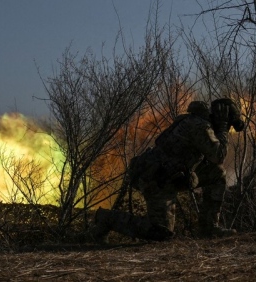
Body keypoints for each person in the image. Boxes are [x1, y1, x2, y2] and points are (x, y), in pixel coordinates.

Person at [90, 97, 244, 241]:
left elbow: (211, 160)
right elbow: (218, 155)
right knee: (161, 232)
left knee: (217, 173)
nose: (228, 127)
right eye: (228, 123)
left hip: (172, 176)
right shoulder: (198, 125)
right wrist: (223, 129)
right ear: (219, 117)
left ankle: (209, 229)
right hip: (156, 179)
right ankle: (107, 218)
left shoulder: (201, 124)